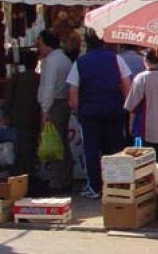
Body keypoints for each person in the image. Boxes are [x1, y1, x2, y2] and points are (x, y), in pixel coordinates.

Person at [68, 29, 132, 198]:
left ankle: (95, 187)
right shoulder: (116, 59)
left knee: (91, 150)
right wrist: (125, 108)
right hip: (113, 110)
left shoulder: (80, 62)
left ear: (87, 43)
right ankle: (117, 186)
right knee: (115, 149)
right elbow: (127, 86)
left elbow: (73, 92)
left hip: (89, 113)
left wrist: (78, 111)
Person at [35, 30, 73, 189]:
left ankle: (57, 181)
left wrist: (45, 111)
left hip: (54, 105)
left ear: (47, 44)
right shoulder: (64, 59)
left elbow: (48, 87)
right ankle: (64, 177)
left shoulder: (51, 61)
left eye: (40, 43)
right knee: (61, 141)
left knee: (54, 143)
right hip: (62, 102)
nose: (39, 47)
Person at [124, 50, 158, 163]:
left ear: (145, 60)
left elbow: (132, 105)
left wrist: (130, 126)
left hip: (144, 130)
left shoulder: (141, 78)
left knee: (143, 166)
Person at [4, 51, 41, 176]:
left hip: (18, 118)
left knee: (20, 151)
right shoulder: (39, 78)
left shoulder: (17, 77)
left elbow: (9, 99)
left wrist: (6, 115)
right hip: (34, 118)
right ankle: (30, 175)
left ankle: (21, 176)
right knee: (31, 149)